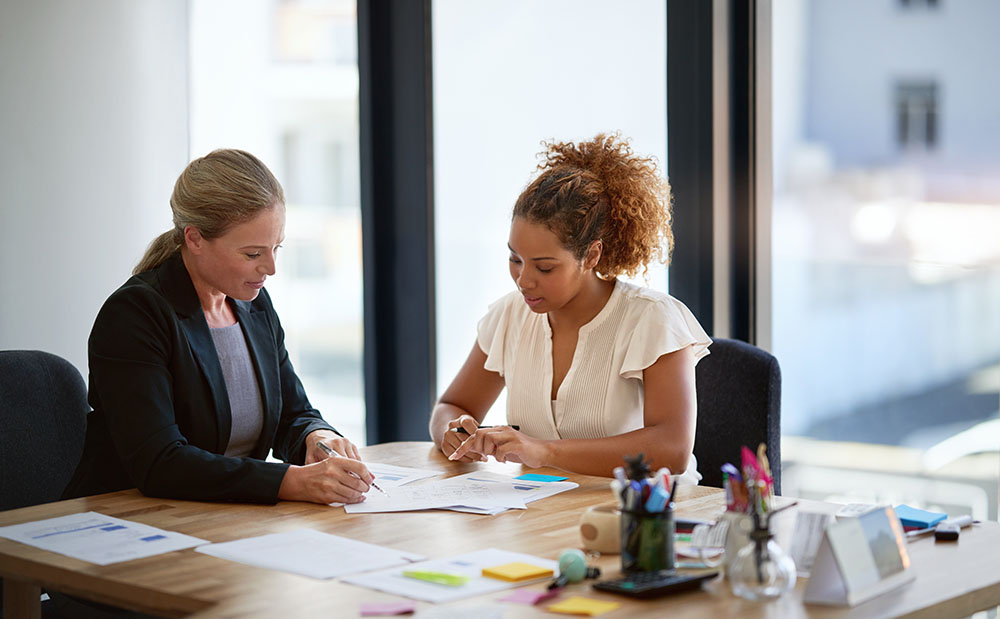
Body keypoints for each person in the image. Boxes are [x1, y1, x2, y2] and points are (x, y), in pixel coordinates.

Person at [64, 149, 374, 505]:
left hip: (222, 520)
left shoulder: (252, 304)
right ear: (194, 239)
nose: (271, 268)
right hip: (127, 522)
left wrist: (316, 437)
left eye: (277, 248)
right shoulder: (134, 315)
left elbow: (293, 413)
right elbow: (160, 463)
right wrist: (291, 482)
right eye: (253, 254)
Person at [430, 134, 711, 479]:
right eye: (515, 259)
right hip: (542, 515)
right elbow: (450, 406)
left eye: (544, 267)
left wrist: (542, 451)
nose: (523, 280)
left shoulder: (652, 320)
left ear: (591, 255)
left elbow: (673, 449)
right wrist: (455, 431)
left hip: (641, 517)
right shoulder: (509, 316)